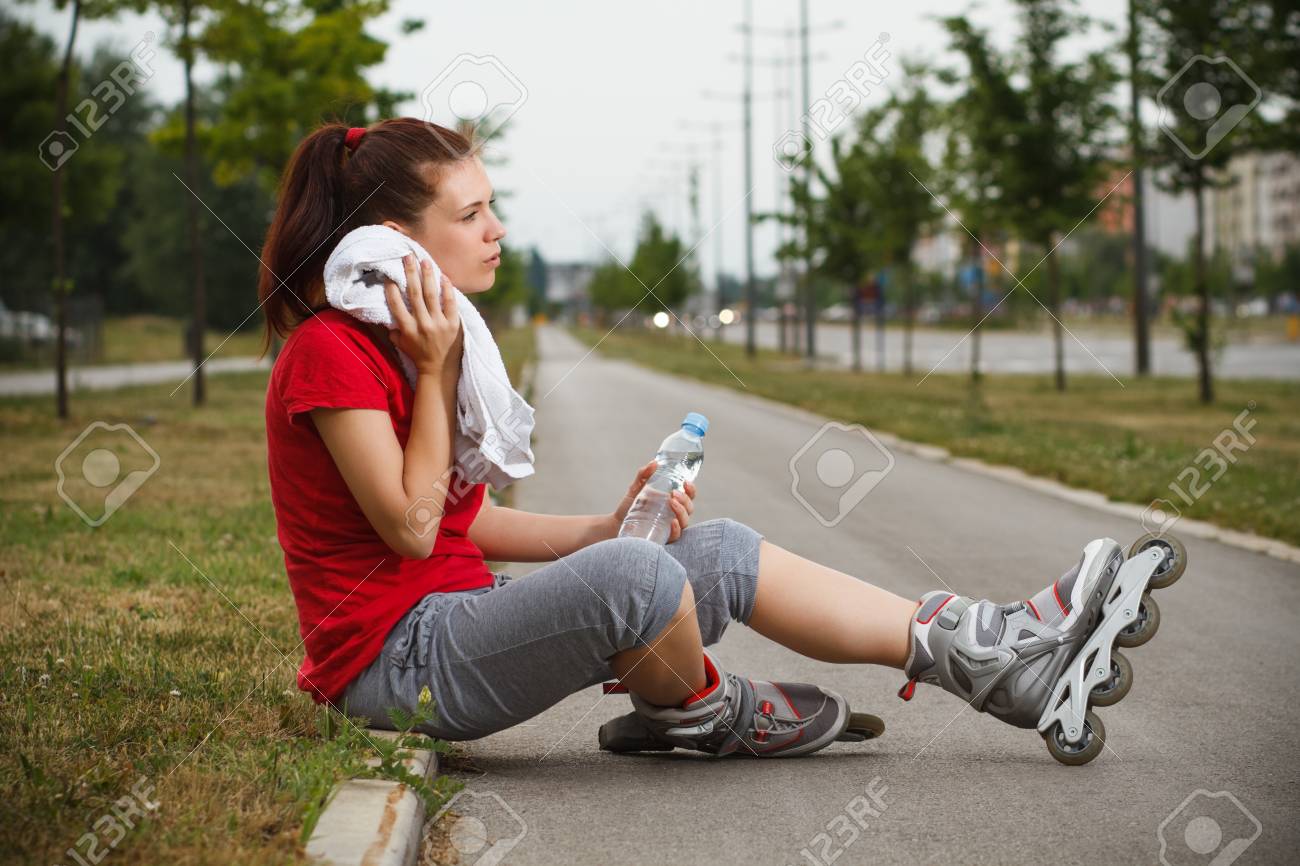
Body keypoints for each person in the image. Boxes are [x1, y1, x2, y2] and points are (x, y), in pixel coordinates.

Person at [260, 117, 1158, 760]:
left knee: (711, 549)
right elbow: (412, 531)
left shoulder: (437, 343)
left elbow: (467, 522)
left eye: (493, 206)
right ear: (394, 243)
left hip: (455, 620)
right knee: (639, 580)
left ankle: (998, 656)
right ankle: (710, 713)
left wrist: (607, 526)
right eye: (469, 216)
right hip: (393, 664)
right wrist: (431, 374)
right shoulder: (331, 354)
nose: (497, 231)